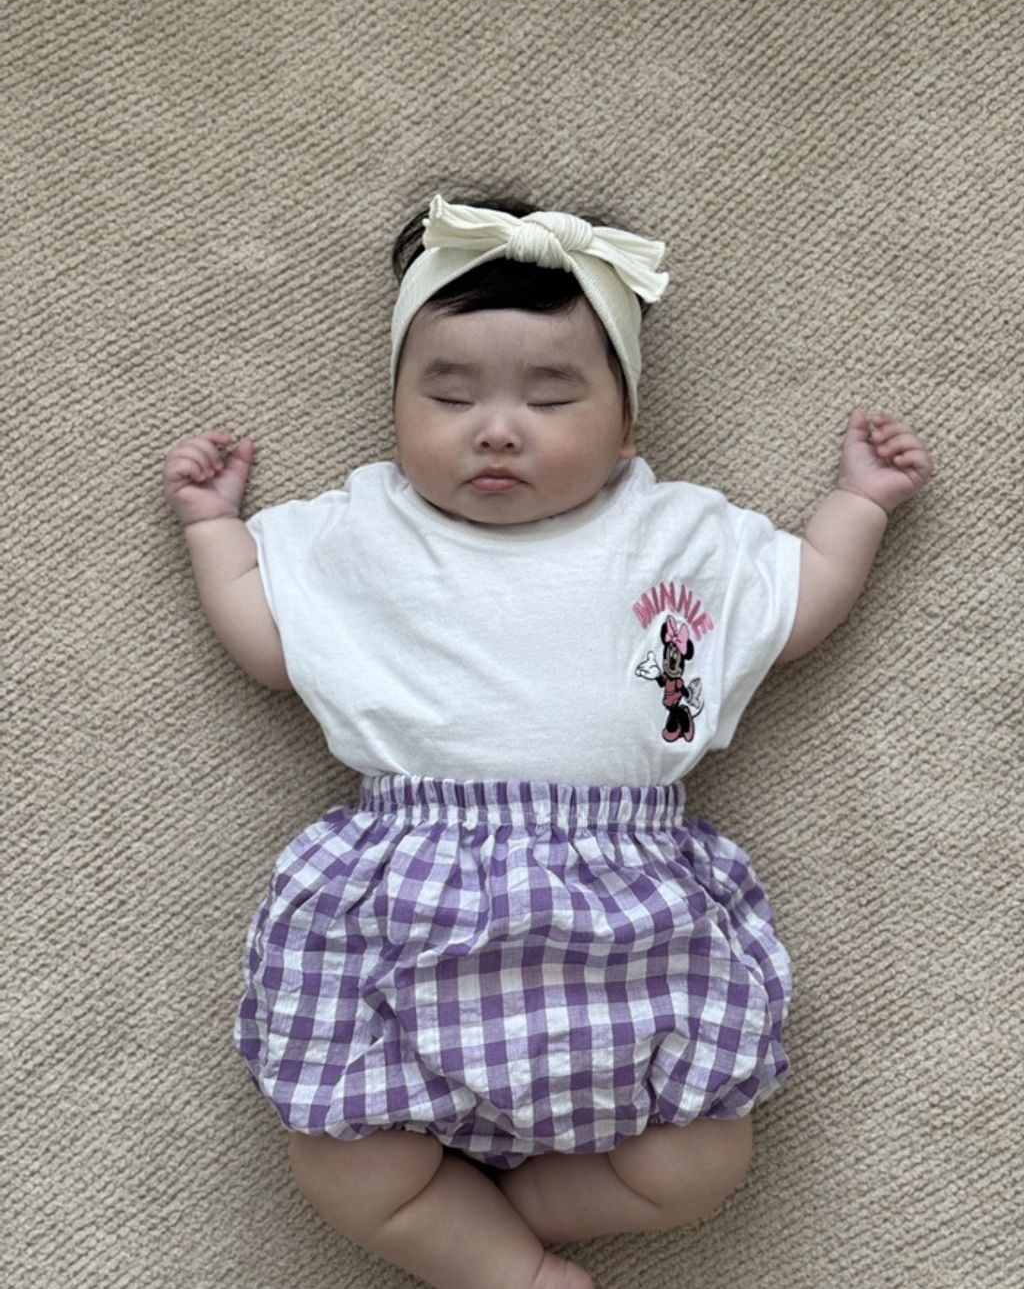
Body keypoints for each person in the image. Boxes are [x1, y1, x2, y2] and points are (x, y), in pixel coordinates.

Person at [162, 194, 933, 1289]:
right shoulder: (364, 530)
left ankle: (497, 1214)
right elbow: (269, 643)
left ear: (626, 428)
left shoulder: (672, 533)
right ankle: (510, 1270)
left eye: (550, 396)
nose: (496, 428)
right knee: (339, 1160)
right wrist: (213, 531)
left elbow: (795, 601)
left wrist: (859, 507)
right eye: (449, 395)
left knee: (703, 1159)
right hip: (410, 903)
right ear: (395, 414)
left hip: (626, 915)